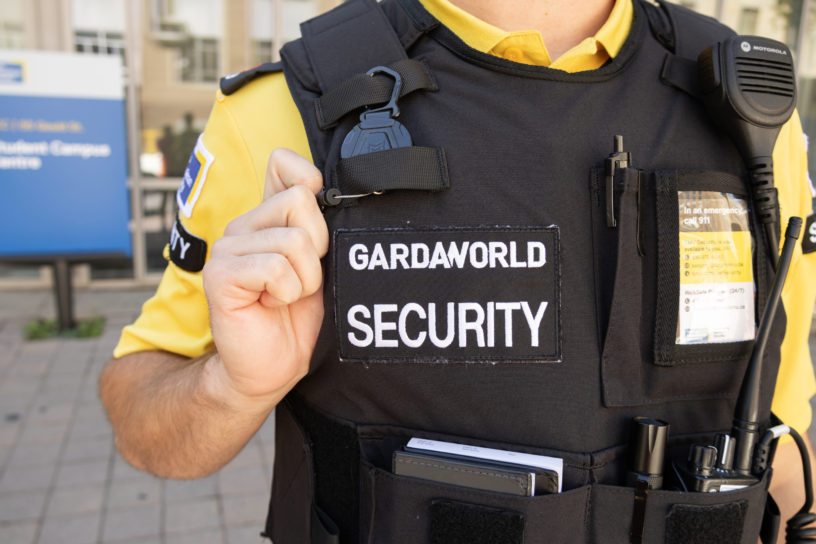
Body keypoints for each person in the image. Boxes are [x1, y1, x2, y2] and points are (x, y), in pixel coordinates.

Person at [101, 0, 816, 542]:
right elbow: (142, 420)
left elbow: (784, 439)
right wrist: (233, 388)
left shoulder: (745, 102)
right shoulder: (282, 111)